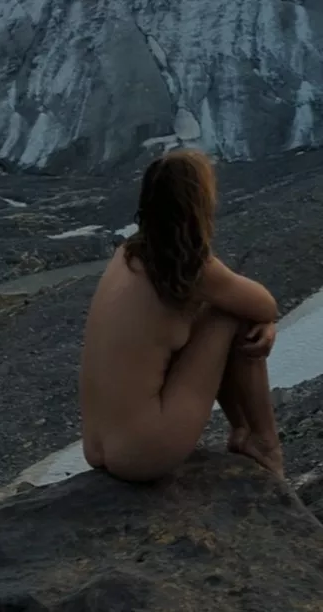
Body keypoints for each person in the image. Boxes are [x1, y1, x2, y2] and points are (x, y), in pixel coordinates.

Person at [79, 148, 284, 482]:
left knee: (224, 308)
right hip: (143, 454)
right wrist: (266, 323)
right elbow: (264, 305)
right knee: (237, 317)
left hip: (96, 447)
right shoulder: (191, 270)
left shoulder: (127, 254)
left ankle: (248, 432)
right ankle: (265, 442)